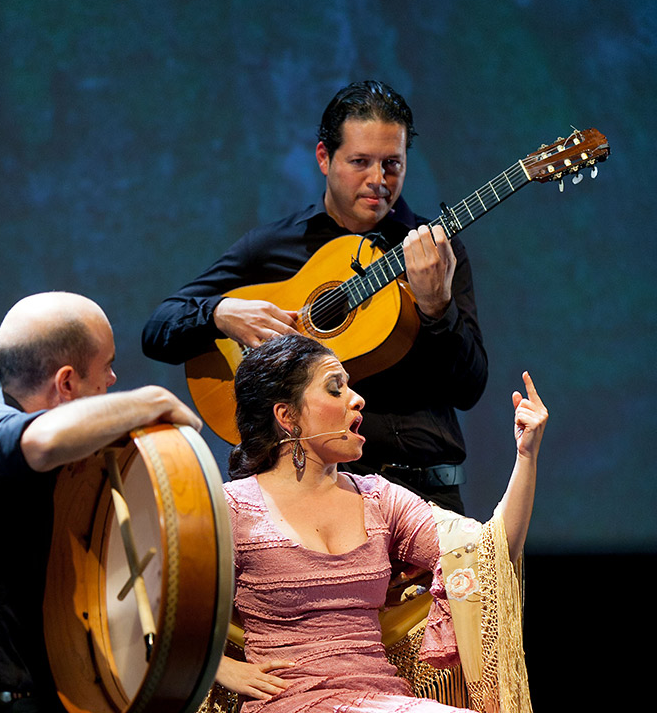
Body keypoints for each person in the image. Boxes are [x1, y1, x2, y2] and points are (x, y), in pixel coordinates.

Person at [205, 333, 568, 713]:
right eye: (335, 388)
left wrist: (526, 457)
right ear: (287, 416)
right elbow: (155, 605)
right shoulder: (230, 509)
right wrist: (218, 666)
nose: (357, 399)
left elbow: (486, 554)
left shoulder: (379, 498)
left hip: (378, 704)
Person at [0, 291, 249, 713]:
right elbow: (39, 442)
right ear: (65, 383)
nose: (113, 380)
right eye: (106, 368)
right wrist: (154, 401)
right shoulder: (1, 430)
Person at [142, 80, 487, 514]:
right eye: (360, 162)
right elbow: (158, 329)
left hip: (427, 497)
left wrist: (437, 309)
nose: (378, 180)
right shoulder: (273, 248)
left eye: (392, 164)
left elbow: (469, 388)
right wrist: (220, 313)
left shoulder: (433, 251)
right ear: (324, 157)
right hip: (315, 501)